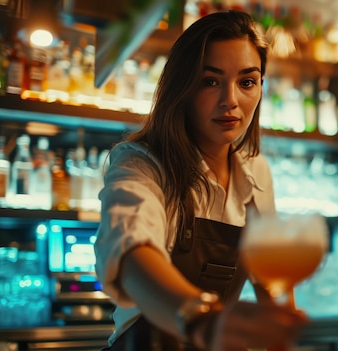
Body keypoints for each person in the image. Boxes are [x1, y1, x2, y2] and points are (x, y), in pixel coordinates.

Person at [94, 10, 308, 351]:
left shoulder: (256, 172)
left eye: (247, 82)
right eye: (210, 81)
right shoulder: (140, 162)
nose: (231, 100)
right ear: (183, 87)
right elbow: (132, 252)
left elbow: (272, 284)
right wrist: (202, 320)